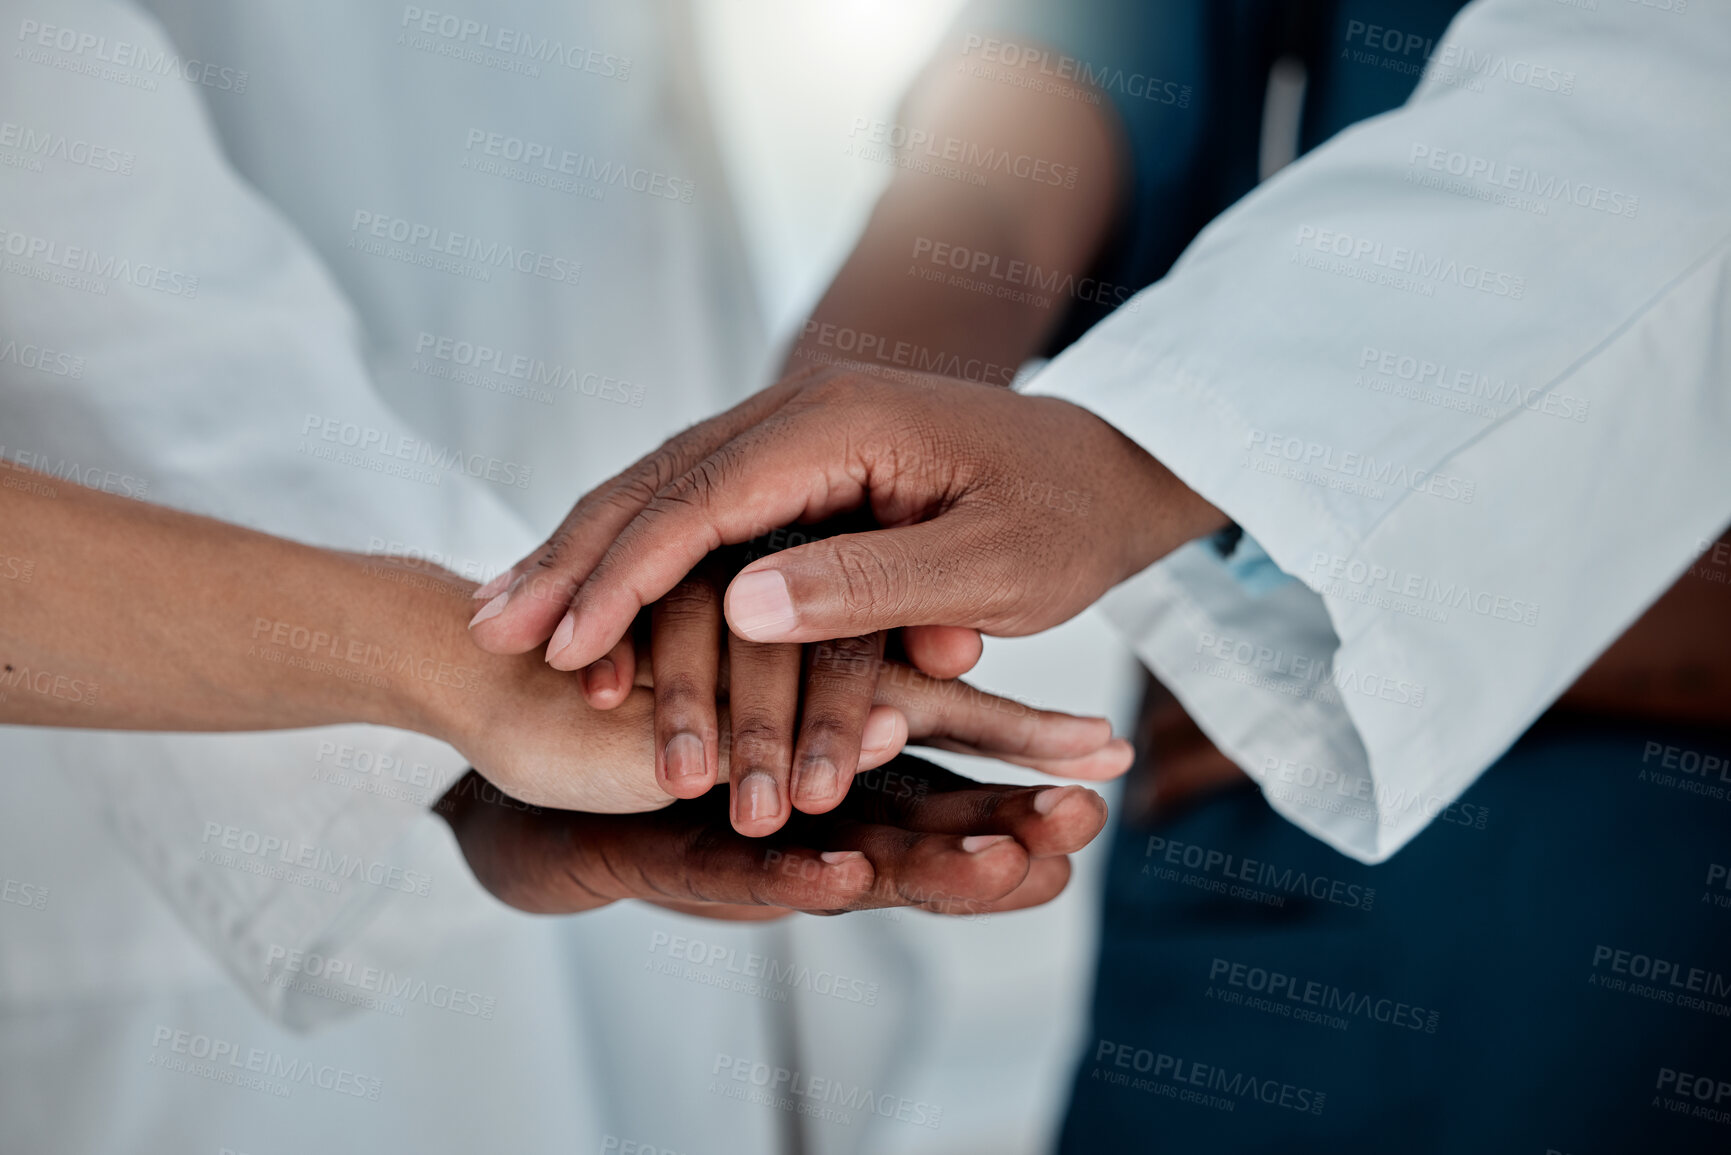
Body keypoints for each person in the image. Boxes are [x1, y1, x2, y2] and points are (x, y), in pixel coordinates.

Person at [466, 0, 1731, 1148]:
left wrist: (1138, 464)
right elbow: (1029, 134)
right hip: (1260, 884)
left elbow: (1670, 102)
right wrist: (810, 486)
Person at [0, 2, 1126, 1152]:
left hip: (647, 644)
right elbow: (59, 234)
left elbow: (1070, 78)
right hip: (180, 819)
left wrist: (806, 482)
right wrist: (461, 671)